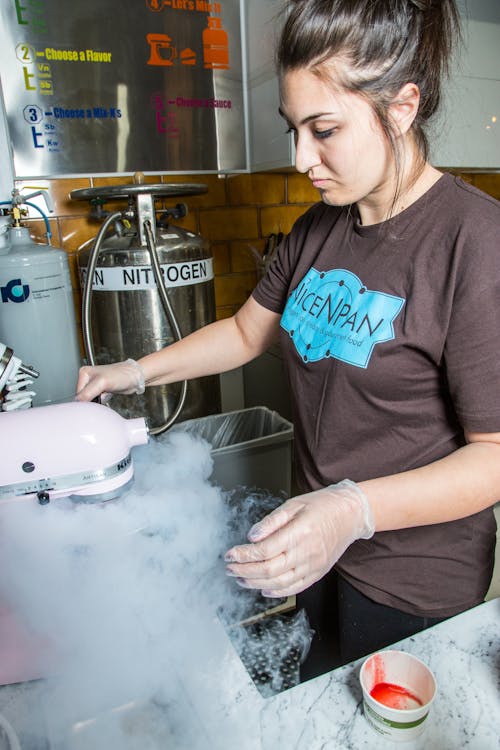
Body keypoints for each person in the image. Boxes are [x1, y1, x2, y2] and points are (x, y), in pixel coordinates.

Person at [76, 0, 500, 678]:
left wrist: (353, 509)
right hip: (312, 552)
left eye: (323, 129)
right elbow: (248, 331)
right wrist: (130, 372)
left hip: (414, 582)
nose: (302, 157)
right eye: (293, 129)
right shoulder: (318, 228)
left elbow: (494, 455)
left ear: (402, 107)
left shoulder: (474, 243)